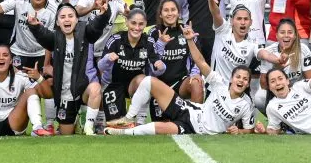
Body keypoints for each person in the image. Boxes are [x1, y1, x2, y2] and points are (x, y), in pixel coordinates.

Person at [103, 24, 259, 136]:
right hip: (187, 109)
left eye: (245, 79)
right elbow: (200, 62)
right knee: (149, 81)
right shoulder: (219, 84)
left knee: (158, 129)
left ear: (247, 84)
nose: (241, 81)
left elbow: (249, 129)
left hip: (195, 129)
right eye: (238, 77)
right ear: (231, 79)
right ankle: (129, 118)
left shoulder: (246, 104)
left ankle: (124, 132)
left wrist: (239, 131)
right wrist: (190, 40)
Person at [28, 0, 111, 135]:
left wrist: (103, 14)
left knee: (96, 88)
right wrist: (34, 26)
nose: (67, 19)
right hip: (65, 93)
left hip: (83, 88)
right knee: (66, 134)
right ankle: (76, 121)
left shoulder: (85, 31)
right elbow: (43, 35)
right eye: (62, 17)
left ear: (77, 20)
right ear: (57, 22)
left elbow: (96, 26)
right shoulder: (55, 37)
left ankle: (88, 127)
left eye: (70, 16)